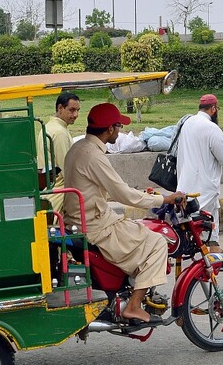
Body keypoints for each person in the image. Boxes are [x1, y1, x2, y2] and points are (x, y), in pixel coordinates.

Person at [63, 103, 185, 325]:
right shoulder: (94, 156)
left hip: (82, 220)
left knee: (138, 230)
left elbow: (108, 189)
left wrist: (141, 194)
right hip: (96, 227)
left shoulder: (78, 148)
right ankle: (134, 306)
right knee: (157, 243)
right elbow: (123, 194)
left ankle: (128, 289)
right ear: (110, 129)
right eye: (118, 126)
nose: (119, 131)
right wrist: (163, 198)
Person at [175, 94, 223, 254]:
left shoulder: (187, 123)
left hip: (186, 180)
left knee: (202, 214)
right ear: (214, 109)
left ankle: (213, 246)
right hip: (204, 183)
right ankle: (207, 250)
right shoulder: (211, 128)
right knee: (204, 216)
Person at [36, 92, 80, 213]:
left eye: (77, 110)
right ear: (60, 108)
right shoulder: (60, 133)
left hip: (49, 189)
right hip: (59, 192)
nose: (76, 114)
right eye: (72, 110)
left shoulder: (49, 127)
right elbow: (68, 171)